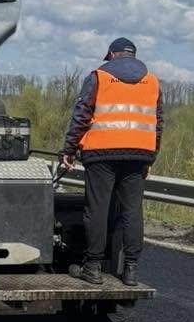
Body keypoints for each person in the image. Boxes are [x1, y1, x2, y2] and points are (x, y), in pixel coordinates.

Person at [60, 38, 162, 287]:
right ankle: (131, 270)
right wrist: (151, 157)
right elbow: (158, 123)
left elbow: (81, 115)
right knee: (132, 211)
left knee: (97, 209)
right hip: (138, 155)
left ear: (112, 55)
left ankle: (93, 267)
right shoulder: (152, 81)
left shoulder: (99, 77)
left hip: (101, 153)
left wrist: (69, 150)